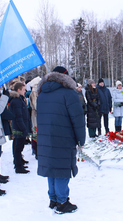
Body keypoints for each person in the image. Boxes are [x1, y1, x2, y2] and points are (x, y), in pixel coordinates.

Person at [37, 66, 85, 214]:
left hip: (46, 138)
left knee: (52, 169)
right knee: (62, 170)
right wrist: (80, 140)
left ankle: (53, 199)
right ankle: (62, 202)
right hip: (64, 137)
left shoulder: (42, 94)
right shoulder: (69, 94)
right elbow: (77, 120)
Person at [9, 82, 31, 174]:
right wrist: (23, 128)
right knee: (18, 147)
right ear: (18, 90)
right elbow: (18, 116)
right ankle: (18, 166)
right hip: (19, 128)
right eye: (23, 89)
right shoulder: (17, 101)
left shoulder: (19, 99)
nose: (25, 91)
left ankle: (19, 162)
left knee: (18, 146)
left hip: (20, 126)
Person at [29, 76, 41, 159]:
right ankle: (37, 151)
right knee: (36, 133)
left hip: (37, 115)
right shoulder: (34, 93)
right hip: (36, 115)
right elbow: (36, 106)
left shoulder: (36, 92)